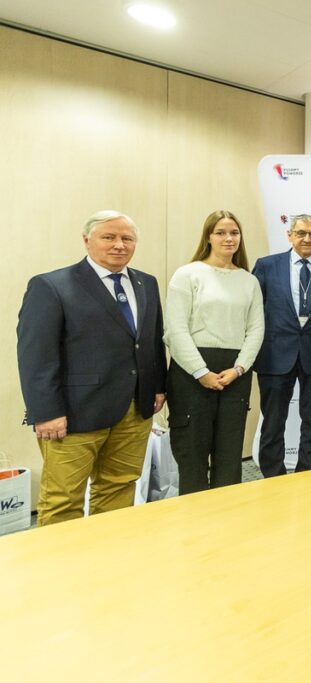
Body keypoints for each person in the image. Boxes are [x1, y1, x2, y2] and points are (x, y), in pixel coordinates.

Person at [17, 211, 167, 525]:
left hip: (133, 411)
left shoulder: (146, 283)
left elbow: (151, 341)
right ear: (87, 241)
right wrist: (45, 412)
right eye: (108, 237)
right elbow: (36, 355)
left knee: (119, 487)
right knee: (63, 500)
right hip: (73, 414)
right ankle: (60, 570)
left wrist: (157, 387)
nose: (119, 245)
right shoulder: (52, 285)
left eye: (127, 238)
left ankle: (106, 564)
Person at [165, 210, 265, 495]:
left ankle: (226, 521)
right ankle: (195, 524)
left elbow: (256, 330)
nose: (228, 238)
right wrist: (201, 372)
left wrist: (239, 368)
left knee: (229, 454)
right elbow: (176, 330)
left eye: (234, 232)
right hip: (192, 372)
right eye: (221, 232)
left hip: (235, 373)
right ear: (208, 237)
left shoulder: (249, 281)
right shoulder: (188, 274)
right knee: (192, 454)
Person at [252, 214, 311, 478]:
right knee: (273, 421)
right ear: (289, 235)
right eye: (301, 233)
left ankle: (306, 475)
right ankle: (273, 476)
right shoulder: (267, 266)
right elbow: (254, 311)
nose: (307, 238)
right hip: (275, 355)